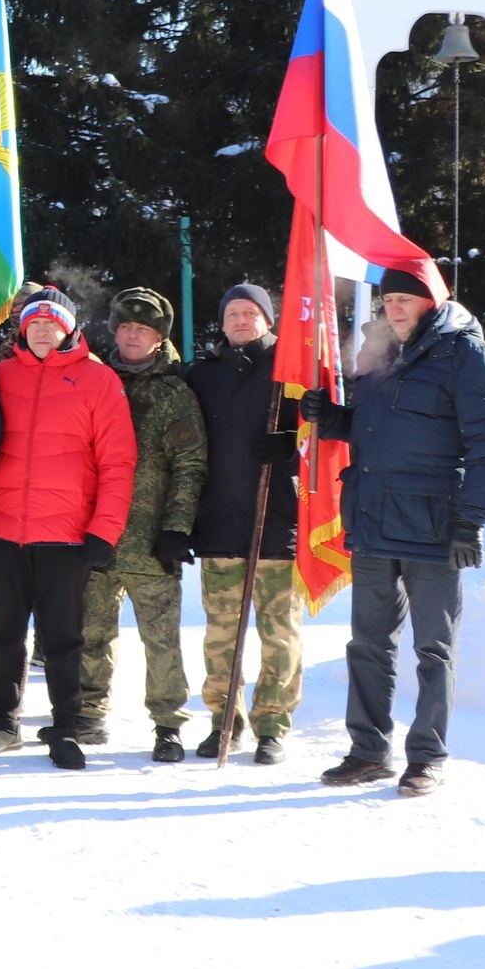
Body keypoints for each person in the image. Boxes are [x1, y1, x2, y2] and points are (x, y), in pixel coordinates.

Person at [308, 269, 485, 796]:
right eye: (389, 299)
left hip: (434, 527)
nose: (394, 309)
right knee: (368, 645)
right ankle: (369, 752)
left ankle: (427, 757)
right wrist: (333, 419)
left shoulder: (467, 356)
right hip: (373, 521)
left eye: (405, 300)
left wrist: (471, 520)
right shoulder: (378, 354)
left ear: (432, 301)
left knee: (434, 650)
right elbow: (375, 428)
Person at [0, 288, 136, 771]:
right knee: (5, 631)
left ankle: (64, 727)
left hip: (66, 534)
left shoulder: (99, 381)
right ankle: (4, 721)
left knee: (63, 637)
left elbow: (118, 462)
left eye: (52, 323)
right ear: (22, 328)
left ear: (68, 329)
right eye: (34, 322)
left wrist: (105, 529)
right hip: (3, 529)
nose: (42, 330)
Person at [77, 288, 207, 762]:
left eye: (144, 329)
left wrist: (177, 529)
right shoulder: (92, 380)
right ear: (114, 330)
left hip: (151, 542)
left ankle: (168, 723)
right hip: (94, 537)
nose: (133, 335)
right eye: (126, 326)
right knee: (90, 631)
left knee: (161, 640)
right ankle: (89, 711)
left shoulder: (174, 394)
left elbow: (190, 465)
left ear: (159, 338)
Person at [186, 283, 303, 763]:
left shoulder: (292, 371)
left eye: (251, 312)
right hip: (219, 524)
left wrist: (292, 448)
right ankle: (223, 721)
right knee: (221, 632)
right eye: (233, 312)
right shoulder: (202, 375)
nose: (241, 320)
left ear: (268, 320)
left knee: (279, 632)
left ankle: (272, 725)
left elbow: (329, 434)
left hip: (276, 521)